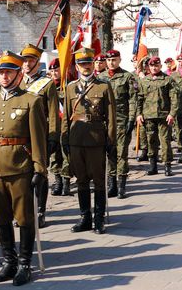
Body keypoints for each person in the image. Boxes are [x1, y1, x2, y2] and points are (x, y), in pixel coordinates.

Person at [0, 50, 46, 286]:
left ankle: (25, 264)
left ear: (18, 74)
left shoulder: (32, 101)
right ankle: (9, 261)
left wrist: (39, 169)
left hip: (20, 167)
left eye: (9, 72)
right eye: (2, 72)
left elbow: (38, 139)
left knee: (24, 218)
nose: (4, 76)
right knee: (0, 217)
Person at [62, 48, 116, 234]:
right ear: (77, 66)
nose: (85, 67)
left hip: (96, 139)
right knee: (81, 180)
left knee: (99, 181)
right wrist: (64, 138)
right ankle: (85, 217)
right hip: (76, 140)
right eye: (82, 64)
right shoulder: (70, 87)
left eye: (88, 63)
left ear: (93, 64)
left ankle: (99, 218)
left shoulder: (103, 86)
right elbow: (66, 117)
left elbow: (111, 116)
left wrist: (110, 140)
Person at [20, 43, 60, 227]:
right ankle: (25, 211)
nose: (27, 64)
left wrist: (52, 137)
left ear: (37, 63)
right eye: (24, 61)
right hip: (20, 136)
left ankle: (40, 210)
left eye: (30, 61)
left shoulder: (47, 84)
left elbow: (53, 113)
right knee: (22, 175)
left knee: (40, 174)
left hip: (40, 136)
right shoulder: (18, 82)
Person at [99, 49, 136, 199]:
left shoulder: (128, 77)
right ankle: (111, 184)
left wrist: (132, 119)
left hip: (121, 120)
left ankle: (121, 185)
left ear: (119, 60)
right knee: (109, 153)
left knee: (121, 154)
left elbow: (133, 99)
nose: (111, 62)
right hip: (105, 122)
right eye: (108, 60)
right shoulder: (100, 78)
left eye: (114, 60)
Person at [136, 56, 177, 176]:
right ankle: (153, 166)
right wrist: (138, 114)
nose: (154, 68)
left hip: (164, 116)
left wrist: (172, 113)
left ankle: (167, 166)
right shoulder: (143, 81)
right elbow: (139, 98)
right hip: (148, 116)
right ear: (149, 67)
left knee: (165, 141)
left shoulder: (167, 80)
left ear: (160, 66)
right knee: (151, 141)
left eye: (156, 65)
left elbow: (174, 98)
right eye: (152, 66)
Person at [47, 58, 72, 197]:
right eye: (52, 71)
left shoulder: (69, 85)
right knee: (54, 155)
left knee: (66, 154)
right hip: (53, 125)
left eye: (56, 70)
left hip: (66, 125)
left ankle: (66, 182)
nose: (54, 73)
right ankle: (58, 181)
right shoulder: (47, 86)